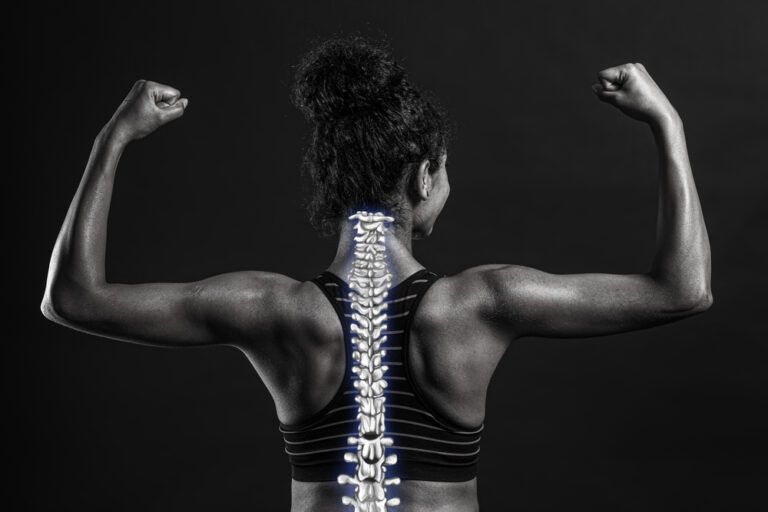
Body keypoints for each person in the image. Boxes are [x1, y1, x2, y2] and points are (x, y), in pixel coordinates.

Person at [41, 36, 712, 512]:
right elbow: (683, 290)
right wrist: (668, 124)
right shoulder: (483, 303)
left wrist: (112, 139)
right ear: (424, 175)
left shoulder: (272, 310)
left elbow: (71, 299)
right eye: (444, 171)